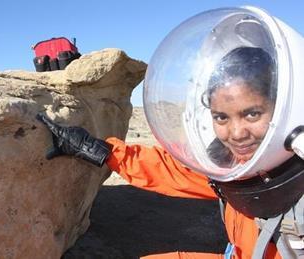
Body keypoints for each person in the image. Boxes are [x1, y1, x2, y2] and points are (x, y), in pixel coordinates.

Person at [36, 46, 285, 259]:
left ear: (283, 109)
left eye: (252, 114)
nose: (237, 133)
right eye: (221, 117)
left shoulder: (293, 179)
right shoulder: (238, 169)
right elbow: (173, 171)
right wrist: (96, 150)